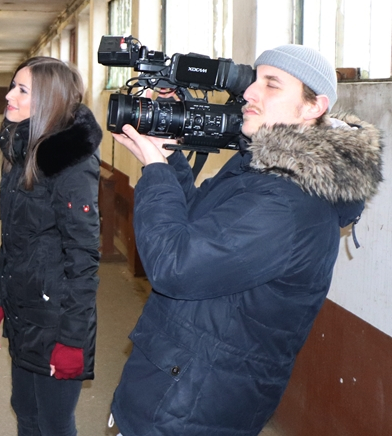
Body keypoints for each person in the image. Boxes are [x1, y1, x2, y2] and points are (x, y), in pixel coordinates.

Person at [108, 44, 383, 436]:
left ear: (313, 106)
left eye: (271, 84)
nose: (250, 92)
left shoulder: (288, 203)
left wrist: (155, 171)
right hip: (177, 383)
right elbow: (194, 224)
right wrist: (169, 158)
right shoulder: (259, 169)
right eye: (254, 80)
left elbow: (174, 267)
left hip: (193, 407)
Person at [0, 57, 103, 436]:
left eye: (22, 90)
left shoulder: (70, 164)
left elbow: (83, 258)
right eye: (12, 86)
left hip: (56, 318)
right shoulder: (22, 154)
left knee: (53, 423)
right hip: (24, 309)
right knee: (26, 410)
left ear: (49, 100)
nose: (9, 96)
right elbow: (13, 240)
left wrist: (72, 340)